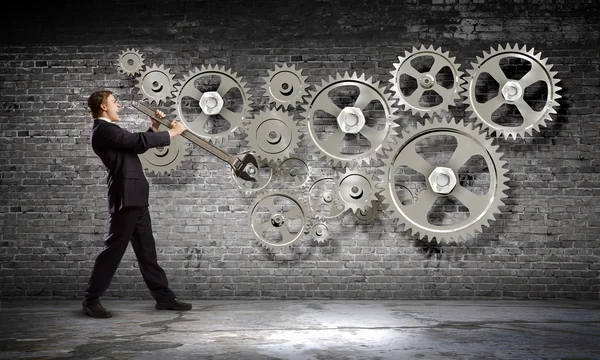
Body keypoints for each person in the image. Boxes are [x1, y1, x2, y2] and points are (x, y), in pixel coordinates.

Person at [82, 90, 192, 318]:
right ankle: (91, 300)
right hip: (126, 196)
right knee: (113, 251)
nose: (118, 106)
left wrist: (155, 127)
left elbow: (136, 146)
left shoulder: (110, 131)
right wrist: (172, 133)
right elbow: (134, 141)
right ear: (103, 106)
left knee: (146, 251)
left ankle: (163, 297)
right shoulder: (103, 130)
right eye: (114, 102)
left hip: (135, 196)